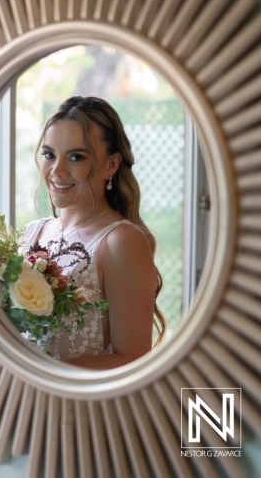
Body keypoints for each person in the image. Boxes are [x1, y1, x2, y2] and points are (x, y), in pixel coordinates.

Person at [19, 95, 166, 369]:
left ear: (111, 164)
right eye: (49, 154)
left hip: (84, 406)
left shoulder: (121, 242)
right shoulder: (32, 232)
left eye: (76, 157)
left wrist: (38, 372)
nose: (57, 170)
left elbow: (133, 360)